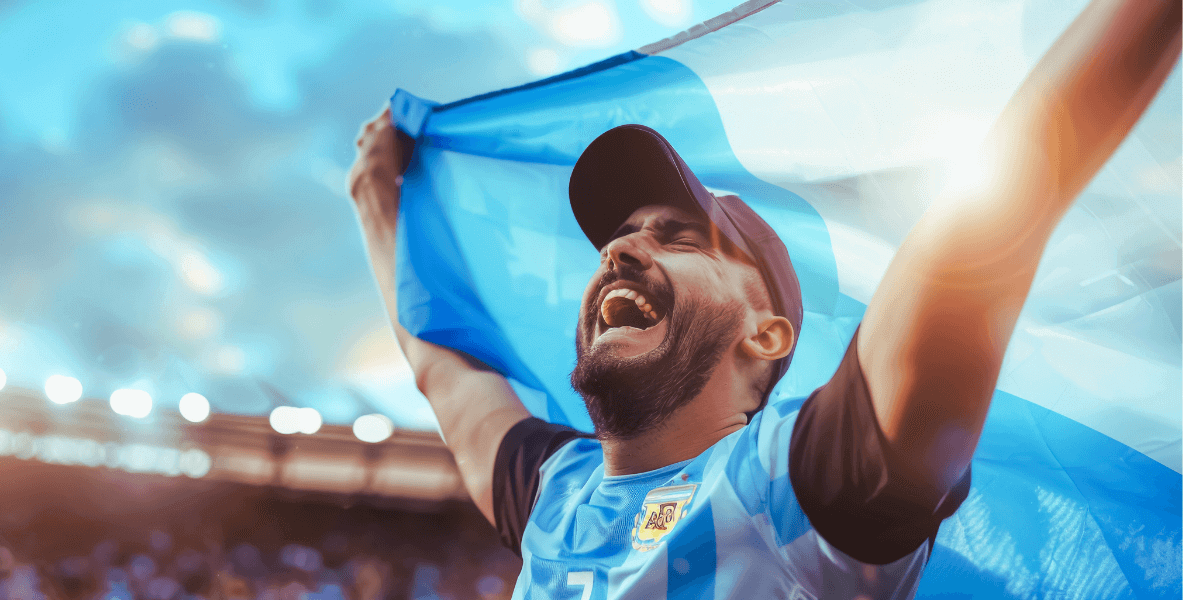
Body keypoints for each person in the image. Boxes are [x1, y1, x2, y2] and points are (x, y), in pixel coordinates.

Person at [346, 0, 1179, 597]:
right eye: (615, 238)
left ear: (767, 334)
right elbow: (441, 366)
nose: (621, 249)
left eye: (676, 236)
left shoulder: (805, 488)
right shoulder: (554, 493)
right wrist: (378, 200)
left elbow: (1013, 192)